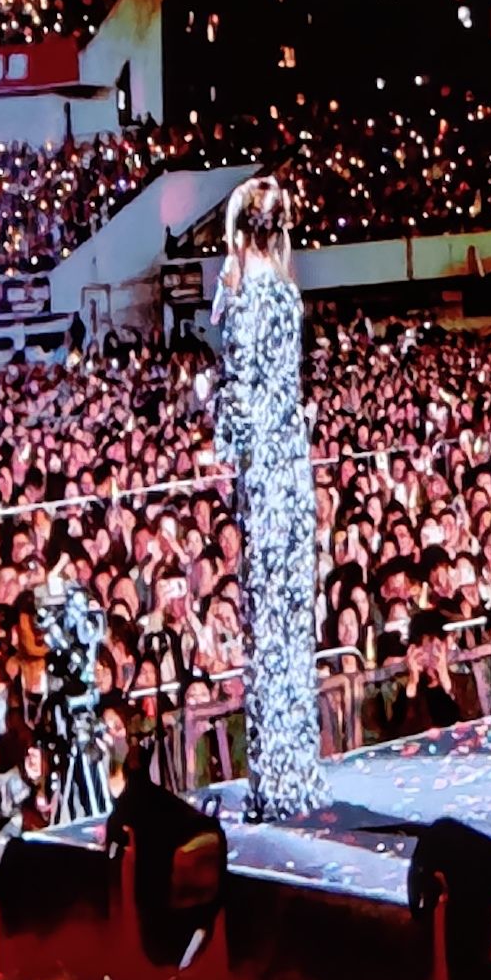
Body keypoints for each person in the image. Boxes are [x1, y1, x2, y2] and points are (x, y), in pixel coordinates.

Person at [207, 173, 328, 814]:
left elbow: (239, 386)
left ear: (236, 232)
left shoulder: (246, 296)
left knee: (268, 618)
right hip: (293, 460)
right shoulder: (287, 292)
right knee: (292, 613)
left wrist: (226, 453)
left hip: (265, 469)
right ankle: (297, 769)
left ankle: (275, 780)